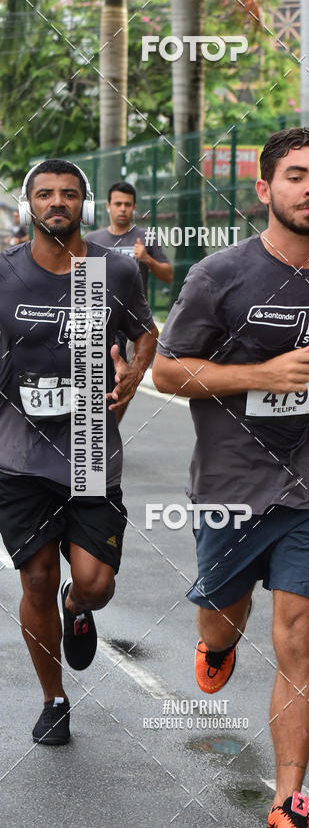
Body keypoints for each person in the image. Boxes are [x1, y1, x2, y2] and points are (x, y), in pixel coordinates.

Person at [153, 127, 309, 828]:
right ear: (264, 189)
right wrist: (259, 374)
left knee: (299, 631)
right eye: (296, 176)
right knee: (224, 617)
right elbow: (167, 371)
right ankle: (216, 642)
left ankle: (288, 800)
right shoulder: (218, 275)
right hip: (229, 483)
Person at [0, 159, 158, 745]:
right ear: (29, 205)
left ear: (84, 205)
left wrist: (134, 374)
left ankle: (79, 605)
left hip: (90, 449)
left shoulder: (111, 271)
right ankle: (54, 699)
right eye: (45, 194)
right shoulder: (6, 273)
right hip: (19, 456)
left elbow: (145, 331)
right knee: (35, 579)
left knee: (97, 583)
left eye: (69, 194)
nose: (57, 202)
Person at [86, 181, 172, 422]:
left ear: (134, 207)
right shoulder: (93, 239)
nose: (122, 209)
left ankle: (111, 427)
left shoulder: (145, 237)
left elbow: (168, 275)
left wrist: (147, 259)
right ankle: (97, 427)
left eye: (127, 204)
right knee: (95, 379)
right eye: (118, 204)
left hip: (134, 323)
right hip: (99, 321)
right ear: (108, 206)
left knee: (125, 380)